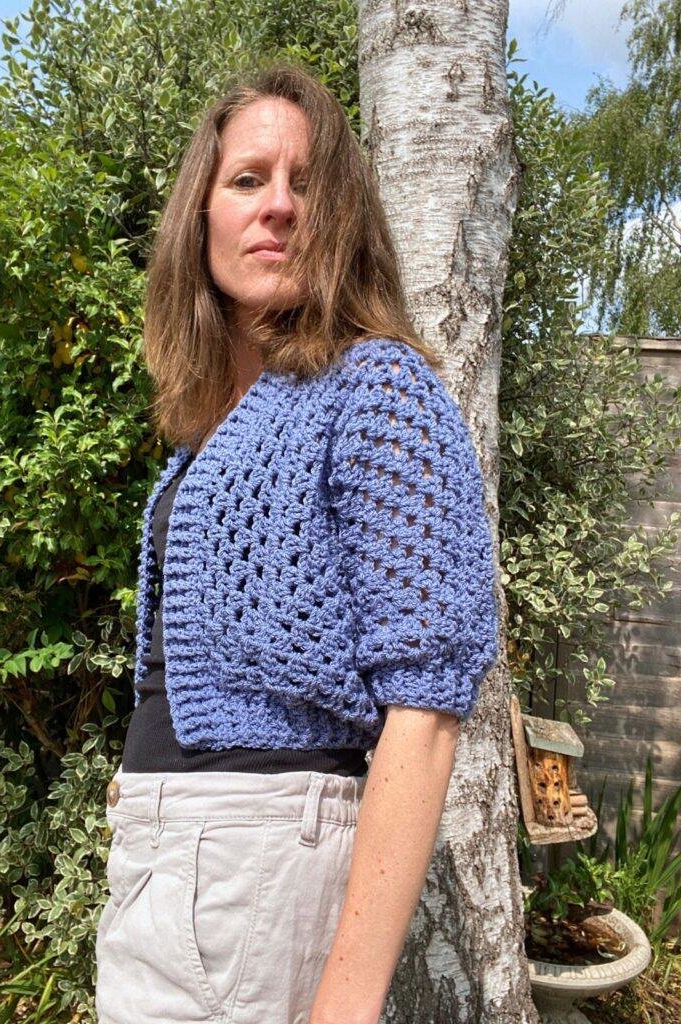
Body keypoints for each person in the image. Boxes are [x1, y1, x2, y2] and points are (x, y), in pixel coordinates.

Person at [94, 59, 499, 1024]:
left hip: (255, 872)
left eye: (306, 184)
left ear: (342, 218)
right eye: (247, 179)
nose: (277, 205)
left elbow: (427, 709)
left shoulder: (376, 387)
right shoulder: (212, 422)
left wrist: (344, 1005)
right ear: (201, 216)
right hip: (169, 863)